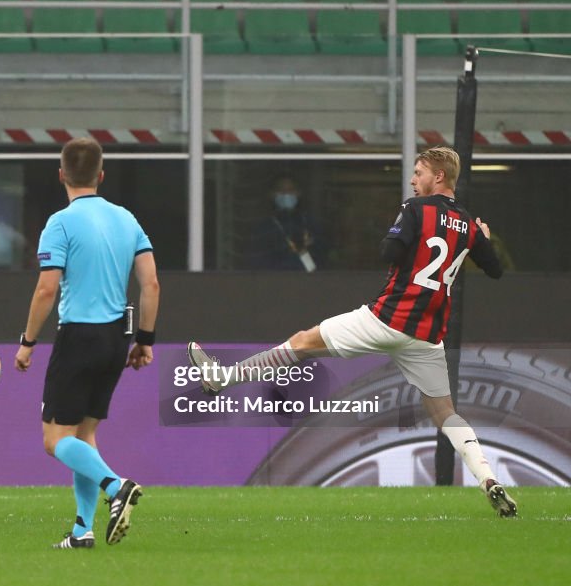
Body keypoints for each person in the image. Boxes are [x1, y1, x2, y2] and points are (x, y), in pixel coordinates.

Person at [189, 147, 517, 517]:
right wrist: (481, 239)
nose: (413, 180)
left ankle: (222, 378)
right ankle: (488, 478)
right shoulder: (470, 224)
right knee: (445, 414)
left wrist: (403, 230)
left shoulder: (414, 209)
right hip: (426, 335)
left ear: (438, 177)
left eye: (418, 172)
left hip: (386, 319)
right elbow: (494, 270)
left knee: (302, 342)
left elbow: (388, 251)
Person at [15, 138, 161, 549]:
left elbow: (47, 289)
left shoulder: (60, 223)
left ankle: (116, 488)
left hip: (79, 336)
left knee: (54, 441)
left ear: (61, 175)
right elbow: (150, 283)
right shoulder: (126, 219)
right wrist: (144, 340)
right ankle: (83, 530)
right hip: (117, 338)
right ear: (101, 175)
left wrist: (27, 342)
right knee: (83, 436)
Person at [249, 175, 322, 272]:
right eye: (281, 190)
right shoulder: (263, 229)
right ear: (272, 194)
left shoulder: (310, 224)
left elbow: (322, 260)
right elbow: (257, 264)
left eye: (291, 190)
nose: (286, 194)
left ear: (299, 193)